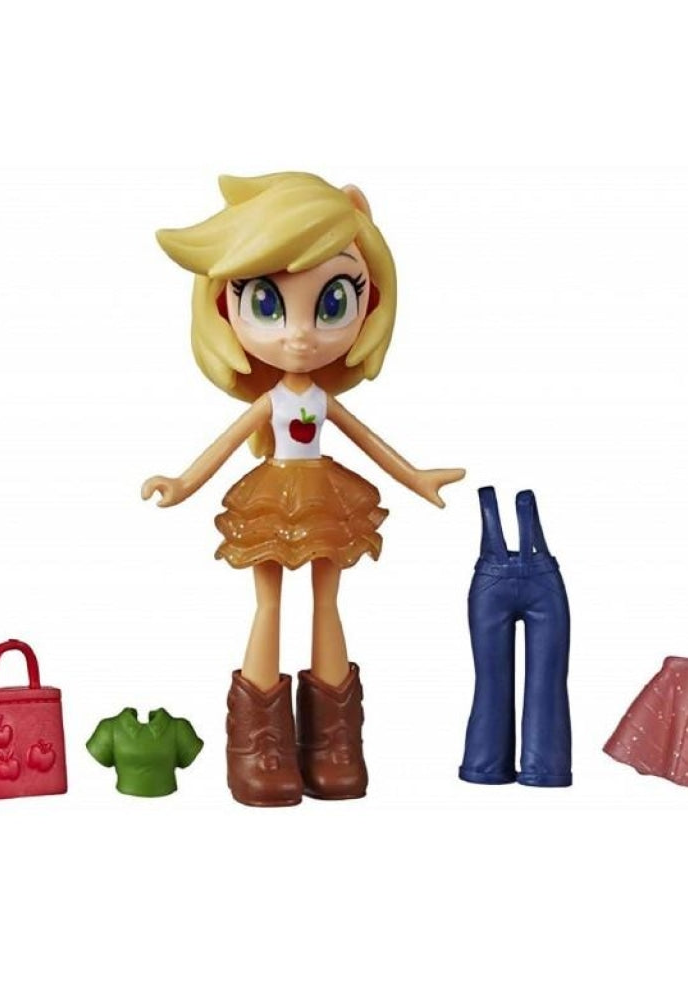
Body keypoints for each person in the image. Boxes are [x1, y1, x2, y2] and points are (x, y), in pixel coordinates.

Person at [142, 172, 464, 806]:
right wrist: (182, 483)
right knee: (267, 605)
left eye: (333, 302)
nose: (299, 334)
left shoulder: (320, 398)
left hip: (323, 497)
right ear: (223, 307)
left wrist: (415, 476)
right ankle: (258, 740)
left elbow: (368, 441)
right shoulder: (272, 401)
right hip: (272, 497)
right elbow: (226, 444)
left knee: (327, 602)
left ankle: (332, 739)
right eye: (267, 304)